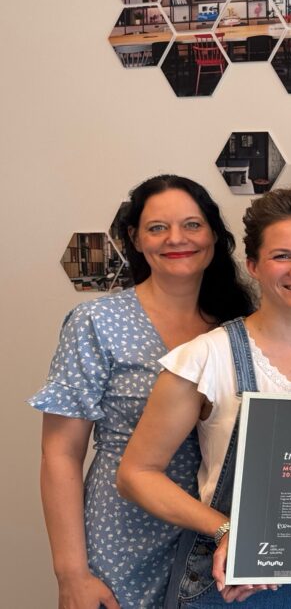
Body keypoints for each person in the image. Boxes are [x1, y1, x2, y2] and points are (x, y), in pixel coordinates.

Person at [117, 189, 291, 608]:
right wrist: (227, 530)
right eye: (283, 256)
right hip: (234, 581)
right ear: (253, 265)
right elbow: (136, 474)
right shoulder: (205, 358)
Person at [29, 175, 255, 608]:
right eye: (157, 228)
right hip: (123, 533)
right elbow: (60, 453)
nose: (176, 239)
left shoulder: (241, 326)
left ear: (213, 233)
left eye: (192, 225)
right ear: (135, 238)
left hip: (219, 532)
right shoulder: (97, 322)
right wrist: (71, 573)